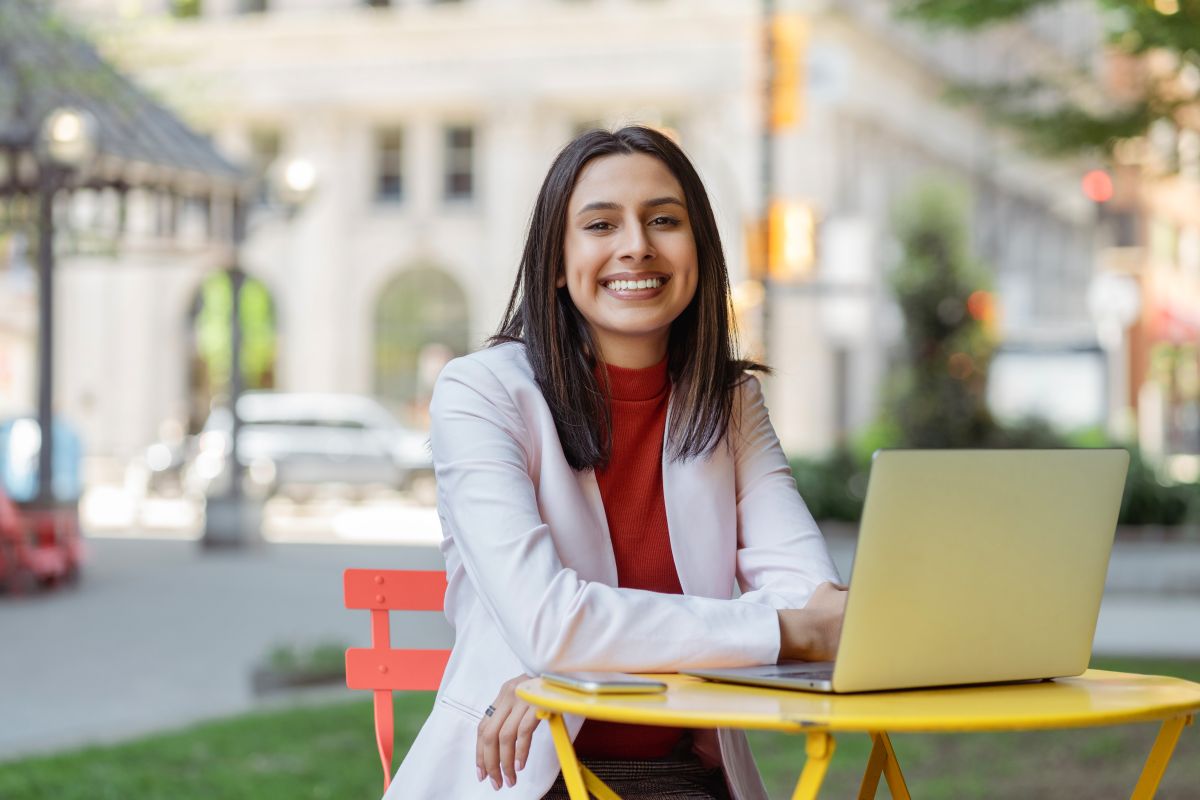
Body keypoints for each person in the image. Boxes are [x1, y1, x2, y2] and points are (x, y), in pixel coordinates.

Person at [388, 126, 847, 800]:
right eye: (601, 224)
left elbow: (817, 608)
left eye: (665, 219)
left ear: (701, 252)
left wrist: (573, 675)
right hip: (520, 775)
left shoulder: (730, 402)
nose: (637, 244)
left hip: (684, 775)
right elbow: (551, 623)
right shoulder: (481, 393)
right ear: (555, 258)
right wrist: (774, 632)